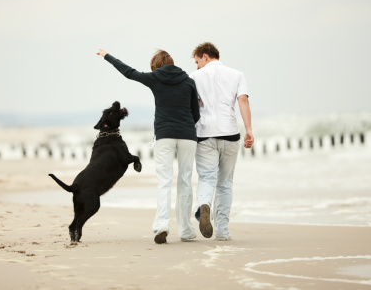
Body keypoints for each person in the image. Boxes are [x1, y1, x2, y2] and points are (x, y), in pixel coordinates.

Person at [96, 48, 200, 244]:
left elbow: (129, 72)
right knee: (185, 181)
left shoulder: (155, 78)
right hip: (187, 135)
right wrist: (185, 126)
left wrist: (107, 56)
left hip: (164, 135)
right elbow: (196, 113)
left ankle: (162, 226)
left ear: (157, 66)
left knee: (164, 181)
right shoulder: (188, 81)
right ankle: (186, 230)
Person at [189, 42, 254, 241]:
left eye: (197, 61)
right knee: (225, 183)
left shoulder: (193, 77)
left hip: (205, 134)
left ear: (205, 56)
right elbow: (243, 100)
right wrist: (249, 130)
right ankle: (223, 231)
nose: (197, 66)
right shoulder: (237, 74)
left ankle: (204, 205)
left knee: (207, 177)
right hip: (230, 133)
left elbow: (192, 105)